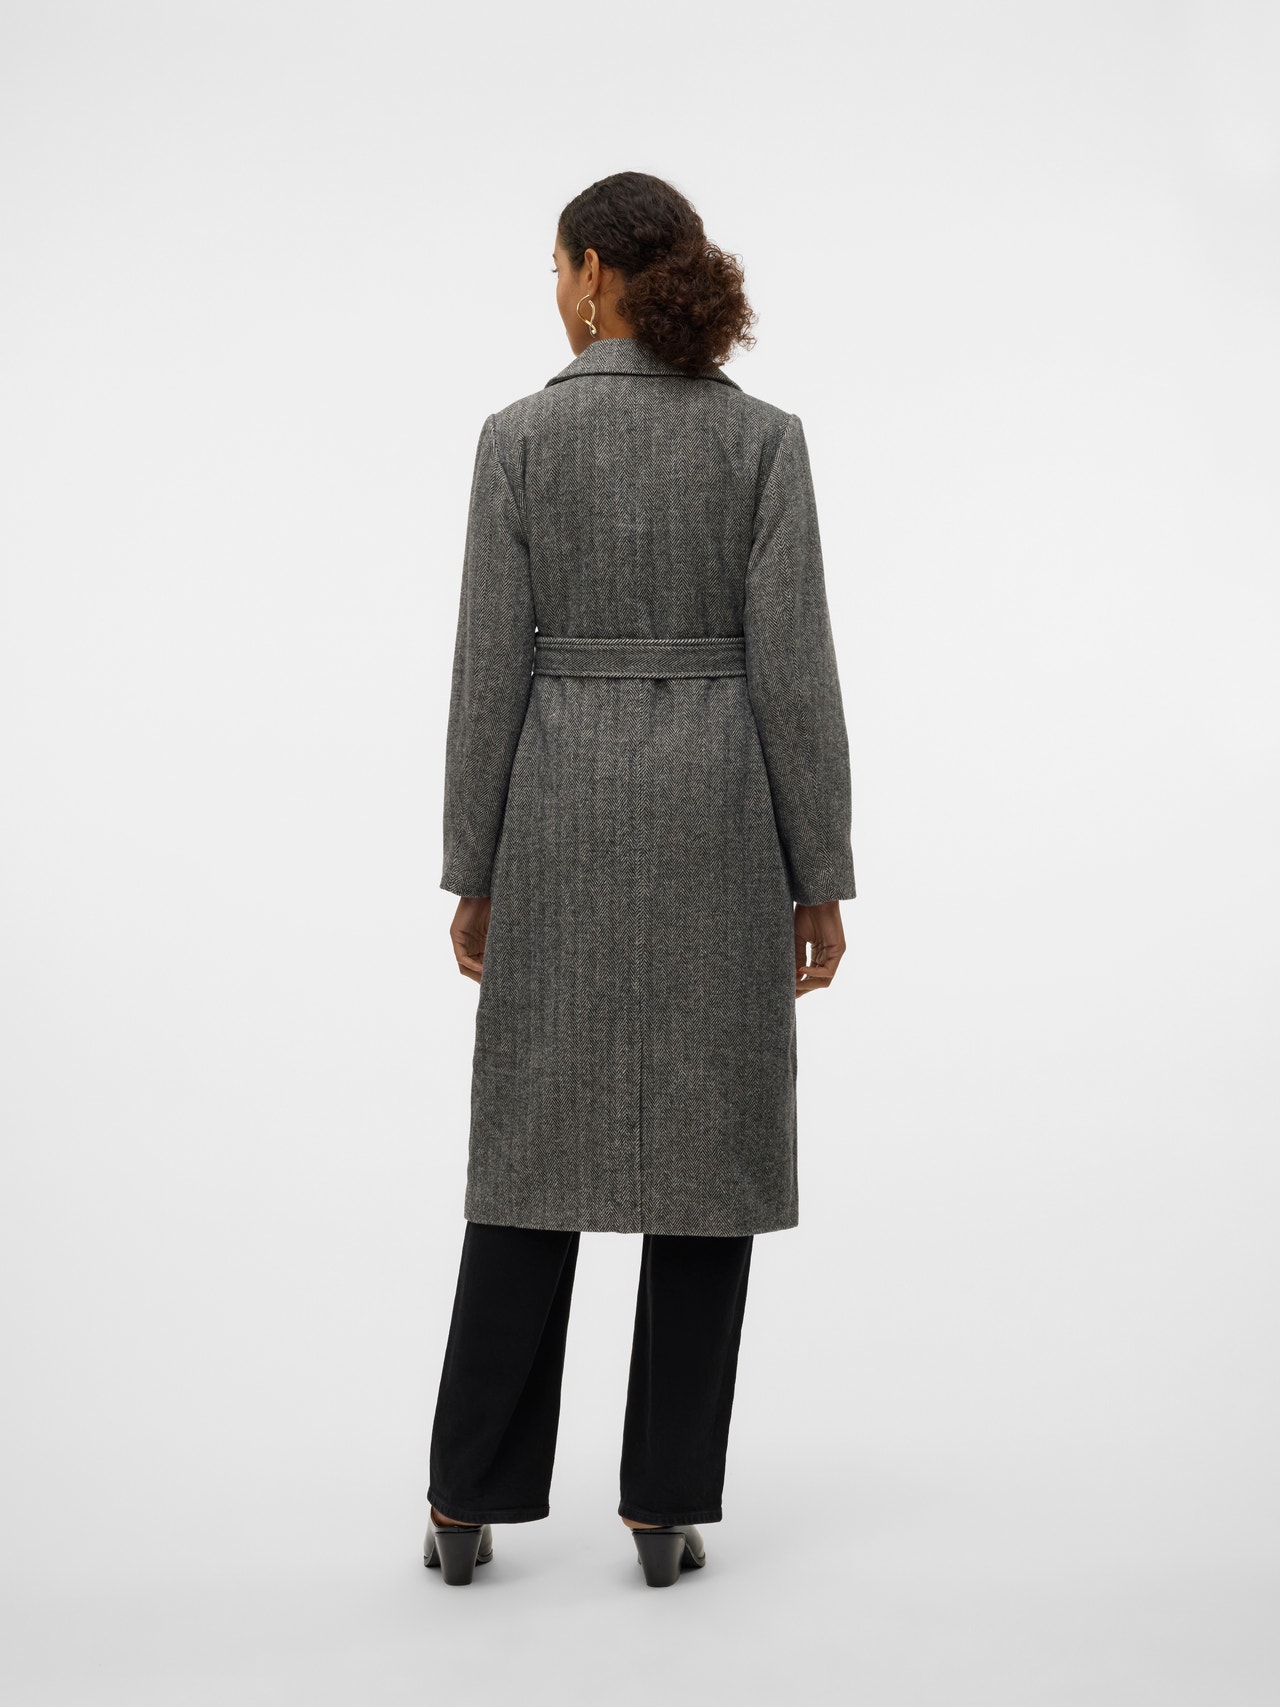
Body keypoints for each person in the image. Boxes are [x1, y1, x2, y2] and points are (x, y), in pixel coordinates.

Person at [422, 170, 857, 1588]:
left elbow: (488, 672)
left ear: (598, 274)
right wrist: (818, 871)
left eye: (557, 268)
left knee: (529, 1152)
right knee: (708, 1158)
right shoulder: (763, 443)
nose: (554, 293)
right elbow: (797, 674)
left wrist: (473, 867)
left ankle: (466, 1501)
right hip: (722, 817)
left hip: (555, 809)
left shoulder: (517, 441)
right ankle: (664, 1508)